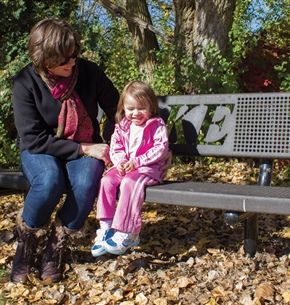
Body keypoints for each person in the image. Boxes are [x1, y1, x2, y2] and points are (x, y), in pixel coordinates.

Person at [10, 18, 120, 283]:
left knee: (86, 182)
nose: (72, 63)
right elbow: (34, 140)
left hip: (86, 146)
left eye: (74, 55)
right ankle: (27, 242)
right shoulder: (26, 82)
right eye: (64, 60)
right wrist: (85, 147)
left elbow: (118, 110)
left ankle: (56, 246)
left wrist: (114, 141)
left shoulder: (89, 73)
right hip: (42, 149)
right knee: (48, 181)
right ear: (45, 61)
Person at [91, 80, 169, 257]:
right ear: (123, 108)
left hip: (149, 168)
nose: (135, 113)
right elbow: (115, 147)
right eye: (130, 108)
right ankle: (106, 228)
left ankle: (129, 233)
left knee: (129, 182)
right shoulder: (122, 126)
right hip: (126, 167)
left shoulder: (156, 125)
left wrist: (137, 161)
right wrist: (120, 162)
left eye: (141, 108)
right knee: (106, 181)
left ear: (151, 106)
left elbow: (161, 148)